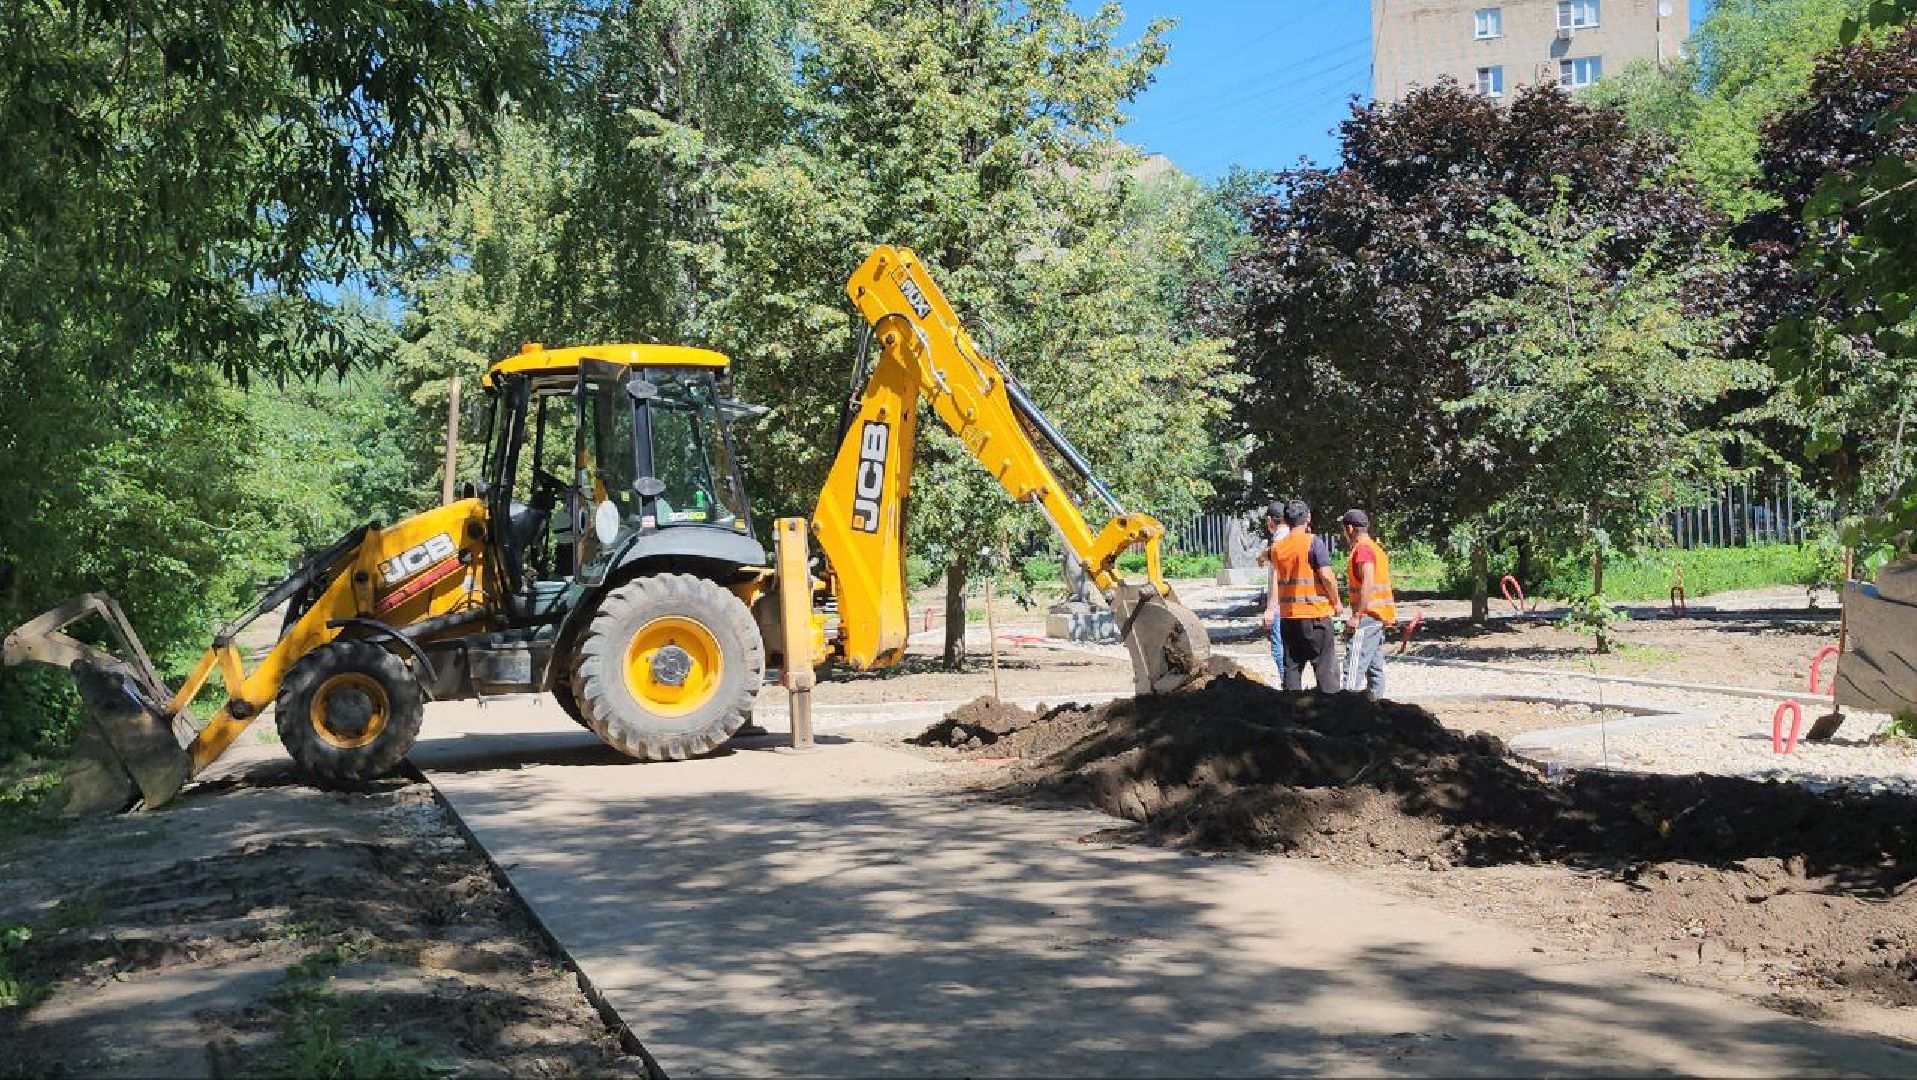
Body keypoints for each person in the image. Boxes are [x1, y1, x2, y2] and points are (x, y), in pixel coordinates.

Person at [1268, 500, 1342, 690]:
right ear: (1308, 517)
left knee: (1292, 670)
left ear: (1285, 519)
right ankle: (1330, 712)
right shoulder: (1313, 542)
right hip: (1315, 617)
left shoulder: (1277, 549)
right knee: (1326, 671)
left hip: (1289, 619)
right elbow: (1326, 576)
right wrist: (1336, 601)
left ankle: (1292, 712)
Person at [1338, 509, 1396, 698]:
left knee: (1353, 669)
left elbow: (1368, 580)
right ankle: (1377, 707)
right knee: (1374, 668)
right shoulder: (1374, 547)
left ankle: (1346, 711)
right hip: (1378, 616)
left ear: (1350, 528)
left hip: (1367, 616)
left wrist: (1356, 616)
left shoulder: (1363, 549)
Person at [1257, 501, 1291, 678]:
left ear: (1270, 520)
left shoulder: (1279, 538)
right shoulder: (1292, 534)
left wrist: (1270, 609)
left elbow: (1277, 576)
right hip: (1293, 604)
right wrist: (1264, 554)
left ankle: (1287, 686)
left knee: (1279, 650)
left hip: (1280, 606)